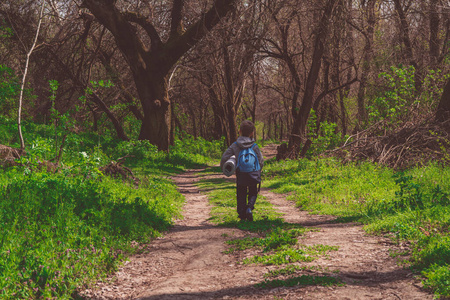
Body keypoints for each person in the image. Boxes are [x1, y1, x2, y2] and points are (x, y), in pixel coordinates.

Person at [220, 120, 264, 221]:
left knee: (241, 192)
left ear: (239, 131)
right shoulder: (254, 146)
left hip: (241, 173)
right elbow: (261, 160)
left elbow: (224, 157)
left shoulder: (235, 145)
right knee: (253, 192)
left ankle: (242, 214)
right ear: (252, 133)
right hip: (253, 172)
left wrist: (224, 168)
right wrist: (258, 170)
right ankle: (249, 208)